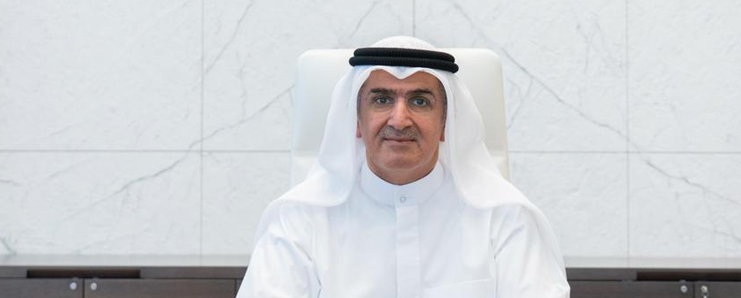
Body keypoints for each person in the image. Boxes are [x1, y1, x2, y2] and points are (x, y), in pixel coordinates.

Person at [237, 36, 570, 298]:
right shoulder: (298, 220)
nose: (399, 119)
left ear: (445, 124)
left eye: (419, 101)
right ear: (356, 121)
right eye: (382, 100)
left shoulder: (507, 219)